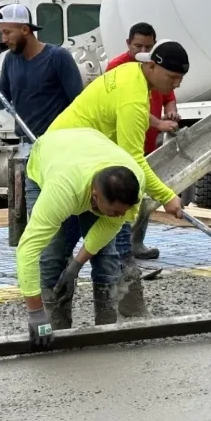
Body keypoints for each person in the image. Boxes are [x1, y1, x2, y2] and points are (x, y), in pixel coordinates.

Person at [47, 40, 190, 315]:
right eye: (172, 77)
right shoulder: (133, 98)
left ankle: (113, 316)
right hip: (69, 162)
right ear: (152, 66)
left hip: (79, 155)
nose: (177, 84)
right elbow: (132, 161)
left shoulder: (131, 74)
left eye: (180, 78)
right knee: (83, 244)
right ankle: (123, 313)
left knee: (104, 239)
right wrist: (166, 196)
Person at [17, 127, 146, 348]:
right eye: (116, 211)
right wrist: (35, 313)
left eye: (123, 211)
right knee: (52, 256)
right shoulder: (61, 192)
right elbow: (27, 250)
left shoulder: (133, 183)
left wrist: (75, 266)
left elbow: (107, 228)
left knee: (106, 257)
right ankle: (52, 331)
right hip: (50, 158)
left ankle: (105, 334)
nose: (121, 216)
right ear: (95, 196)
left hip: (86, 150)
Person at [104, 22, 181, 262]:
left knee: (142, 192)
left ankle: (134, 243)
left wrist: (171, 111)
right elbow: (128, 107)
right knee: (120, 193)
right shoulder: (118, 68)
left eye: (148, 47)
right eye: (138, 46)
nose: (143, 51)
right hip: (121, 146)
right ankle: (115, 250)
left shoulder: (159, 69)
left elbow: (169, 98)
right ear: (128, 43)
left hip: (145, 144)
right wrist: (158, 123)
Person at [0, 3, 83, 138]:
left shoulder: (58, 57)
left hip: (55, 140)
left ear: (25, 30)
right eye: (2, 33)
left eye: (7, 32)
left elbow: (79, 104)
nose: (3, 39)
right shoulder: (10, 59)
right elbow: (1, 103)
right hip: (25, 142)